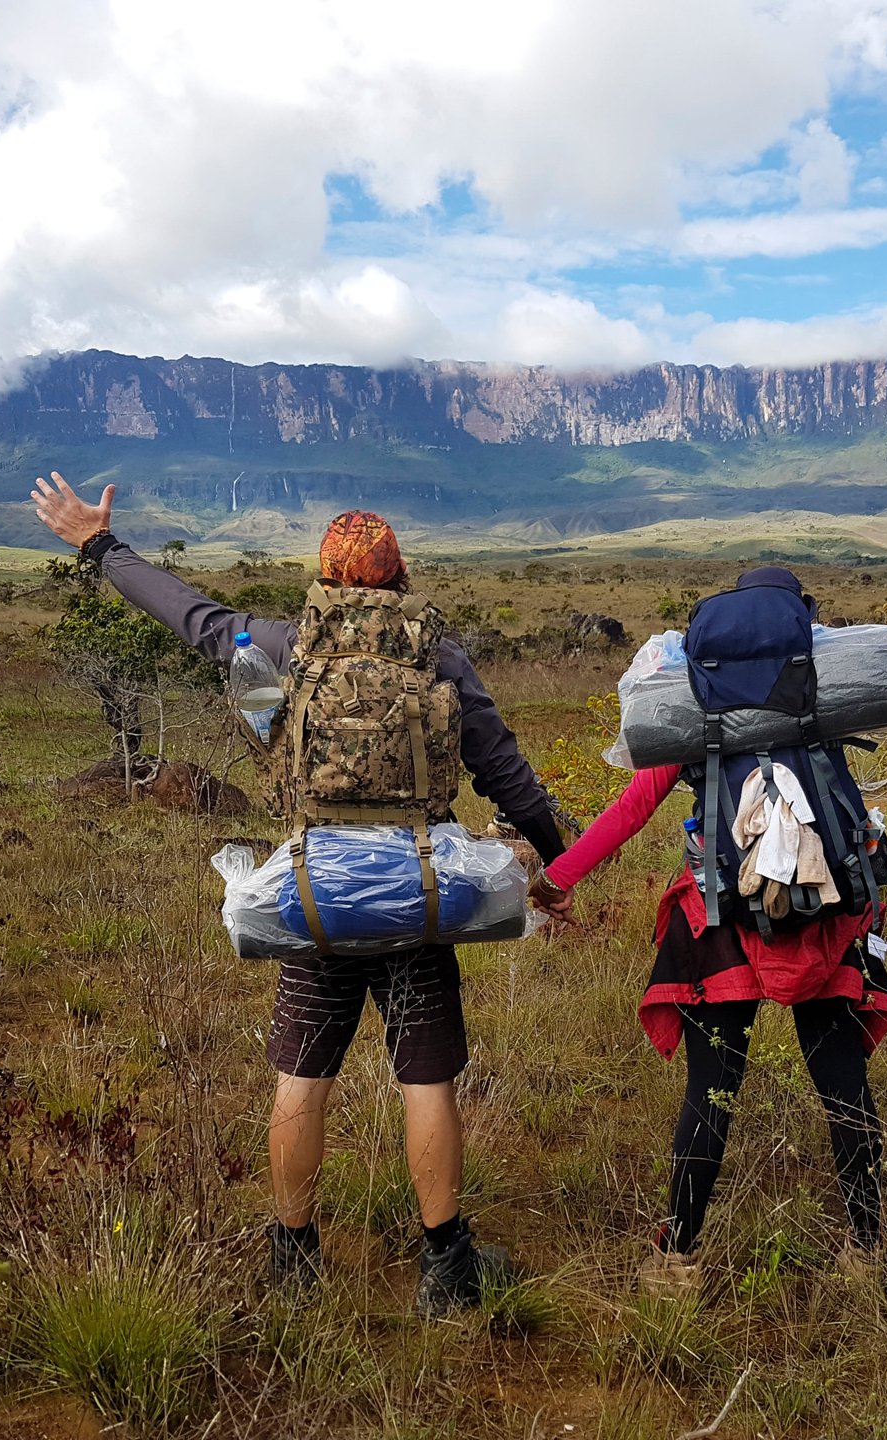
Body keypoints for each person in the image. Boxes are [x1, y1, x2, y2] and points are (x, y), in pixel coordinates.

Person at [30, 473, 573, 1316]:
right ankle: (446, 1264)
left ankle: (293, 1251)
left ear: (323, 577)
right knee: (424, 1081)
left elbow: (186, 612)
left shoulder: (279, 646)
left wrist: (99, 546)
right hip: (420, 897)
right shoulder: (442, 658)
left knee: (301, 1072)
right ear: (399, 577)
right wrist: (557, 862)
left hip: (314, 895)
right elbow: (507, 774)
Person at [534, 537, 887, 1293]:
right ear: (799, 625)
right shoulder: (824, 687)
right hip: (828, 911)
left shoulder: (693, 706)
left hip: (721, 917)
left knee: (711, 1093)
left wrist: (558, 879)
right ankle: (865, 1250)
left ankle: (675, 1259)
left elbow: (632, 807)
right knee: (843, 1086)